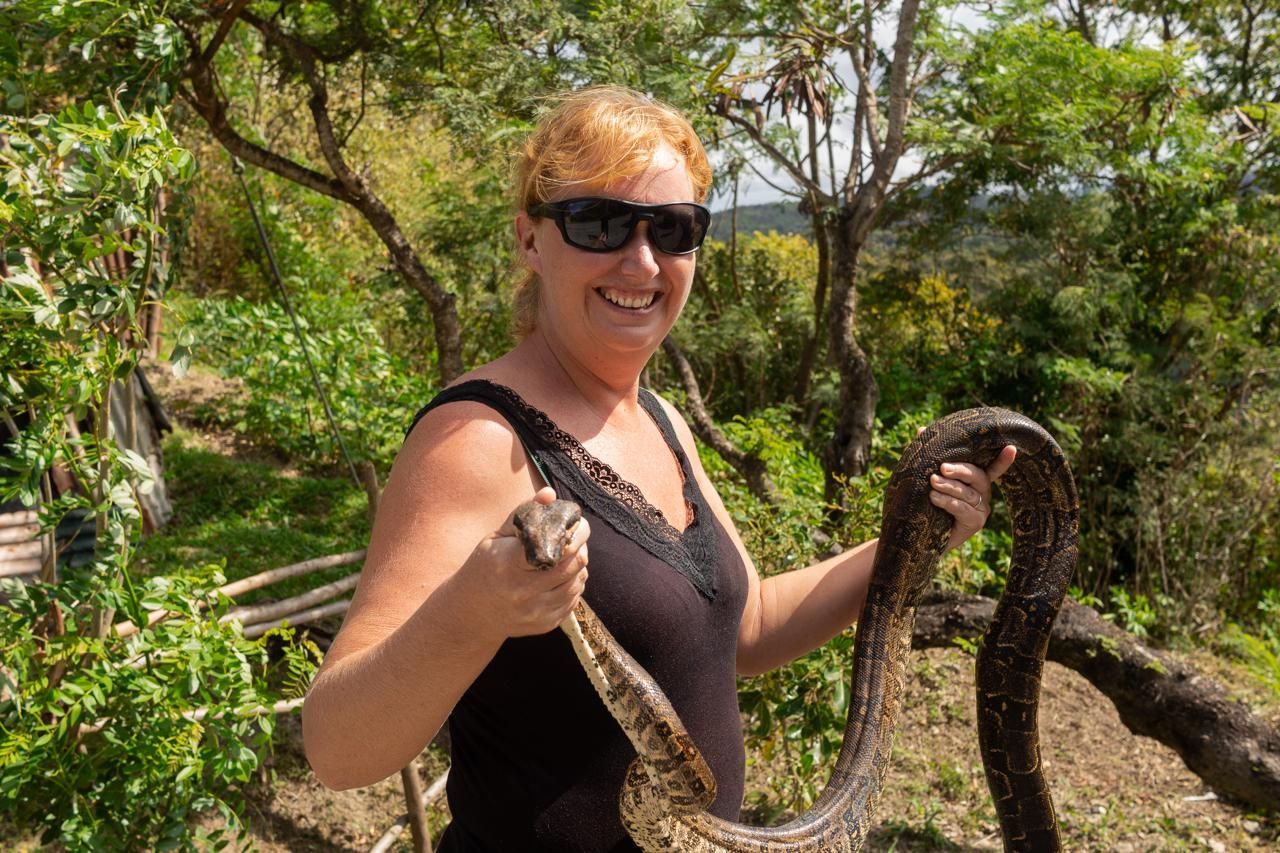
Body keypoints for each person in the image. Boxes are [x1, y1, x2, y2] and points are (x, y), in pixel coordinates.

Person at [301, 86, 1015, 852]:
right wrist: (474, 608)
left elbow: (748, 630)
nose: (641, 259)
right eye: (599, 223)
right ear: (530, 240)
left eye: (674, 229)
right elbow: (340, 749)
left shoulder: (663, 421)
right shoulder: (476, 438)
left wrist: (915, 536)